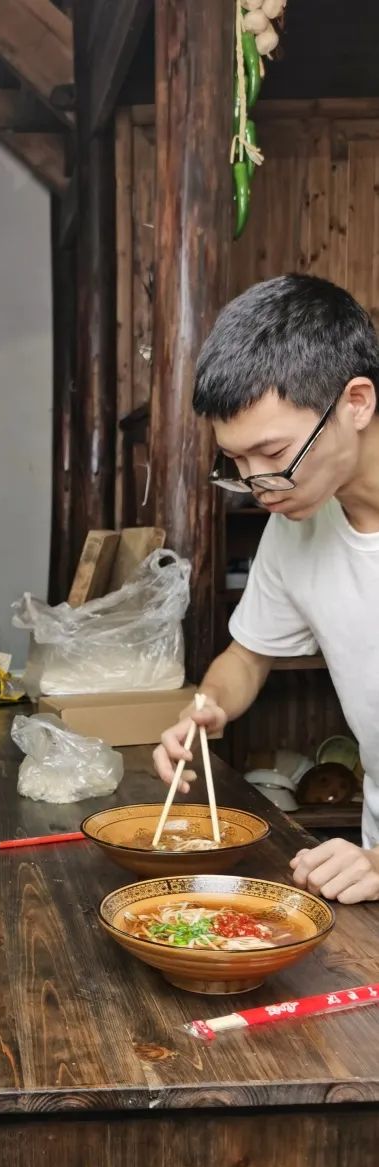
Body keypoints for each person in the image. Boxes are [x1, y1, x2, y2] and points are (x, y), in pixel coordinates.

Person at [154, 273, 379, 904]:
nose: (259, 487)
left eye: (273, 453)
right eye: (236, 462)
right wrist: (207, 709)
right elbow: (248, 656)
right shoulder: (296, 524)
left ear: (357, 402)